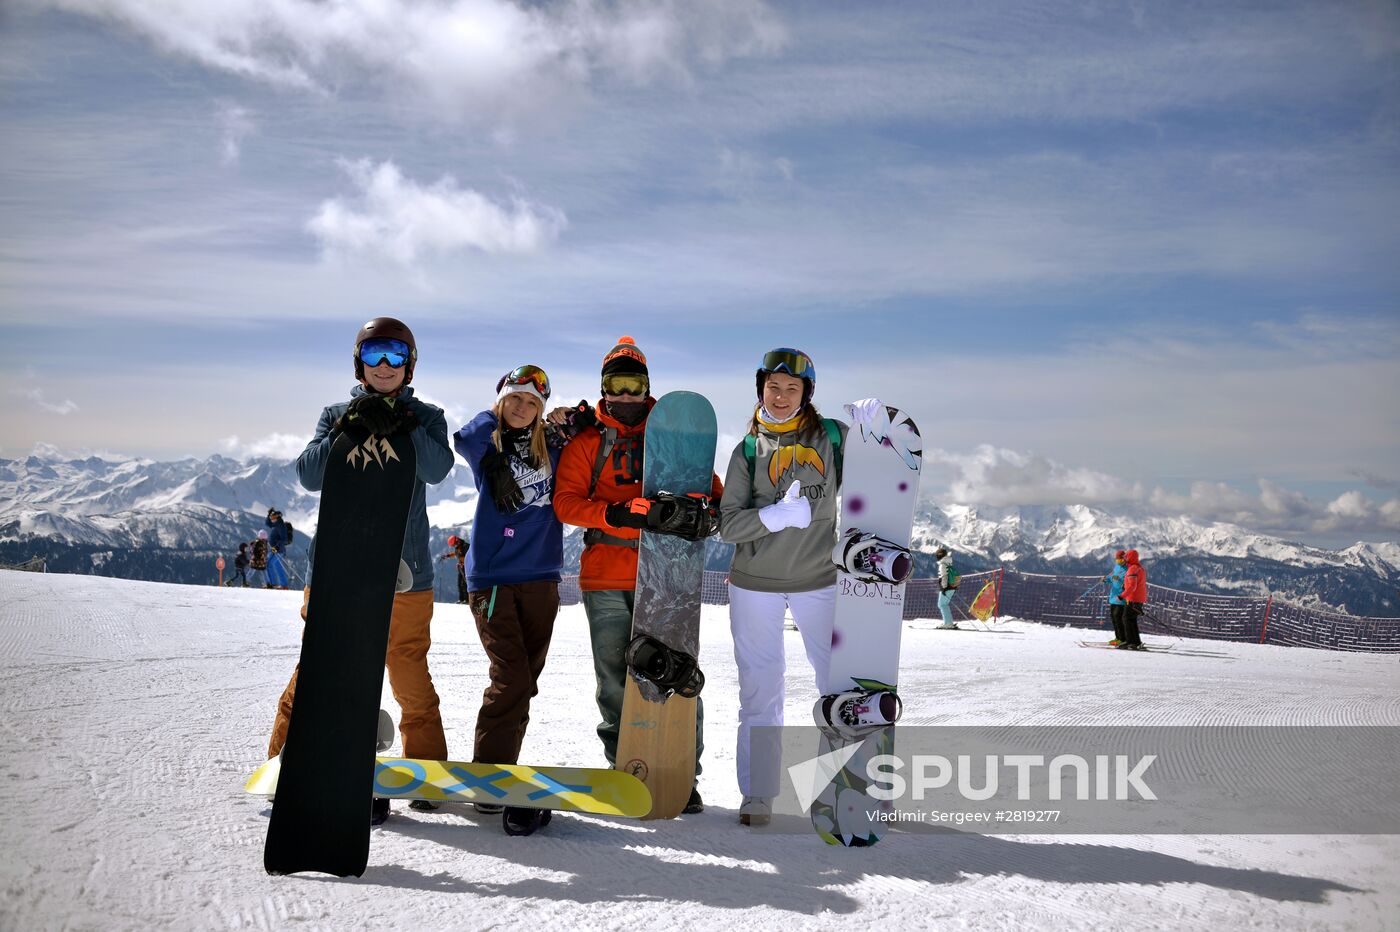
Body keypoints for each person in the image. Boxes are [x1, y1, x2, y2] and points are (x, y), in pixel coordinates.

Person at [265, 316, 453, 824]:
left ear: (410, 365)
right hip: (337, 568)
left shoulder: (428, 416)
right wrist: (349, 425)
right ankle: (284, 761)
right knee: (320, 666)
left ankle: (426, 773)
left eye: (395, 355)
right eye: (374, 355)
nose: (385, 366)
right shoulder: (335, 414)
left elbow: (437, 469)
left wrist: (408, 422)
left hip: (404, 570)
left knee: (407, 670)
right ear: (359, 363)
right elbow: (308, 475)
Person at [553, 336, 723, 816]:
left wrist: (702, 512)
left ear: (647, 387)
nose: (626, 395)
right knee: (614, 680)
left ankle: (682, 776)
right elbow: (565, 504)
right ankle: (624, 765)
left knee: (677, 673)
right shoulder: (589, 443)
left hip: (668, 577)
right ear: (604, 388)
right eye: (617, 384)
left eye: (634, 384)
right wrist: (616, 515)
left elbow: (711, 491)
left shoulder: (672, 437)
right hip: (607, 575)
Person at [717, 346, 881, 827]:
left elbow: (870, 488)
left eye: (792, 388)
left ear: (807, 392)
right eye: (773, 387)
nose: (782, 395)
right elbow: (727, 526)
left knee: (838, 684)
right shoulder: (748, 449)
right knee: (761, 691)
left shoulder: (831, 436)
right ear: (761, 389)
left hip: (819, 579)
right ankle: (758, 794)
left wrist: (876, 439)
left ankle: (846, 788)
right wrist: (772, 516)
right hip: (754, 585)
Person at [453, 365, 577, 835]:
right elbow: (463, 435)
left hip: (542, 578)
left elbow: (590, 441)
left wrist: (571, 418)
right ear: (501, 402)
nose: (522, 408)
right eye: (514, 399)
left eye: (533, 403)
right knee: (510, 676)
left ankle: (499, 770)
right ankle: (487, 776)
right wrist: (495, 450)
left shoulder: (556, 447)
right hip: (492, 579)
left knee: (525, 681)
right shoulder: (488, 442)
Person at [1119, 548, 1147, 650]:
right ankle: (1135, 641)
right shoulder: (1140, 568)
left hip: (1133, 598)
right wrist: (1125, 586)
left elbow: (1132, 587)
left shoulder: (1132, 569)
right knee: (1131, 620)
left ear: (1130, 557)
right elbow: (1136, 584)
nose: (1125, 559)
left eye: (1126, 557)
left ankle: (1131, 642)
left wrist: (1122, 595)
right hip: (1139, 598)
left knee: (1126, 619)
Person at [437, 535, 470, 604]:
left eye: (454, 544)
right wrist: (447, 556)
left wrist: (461, 562)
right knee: (459, 583)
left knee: (464, 584)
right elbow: (456, 553)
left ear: (457, 541)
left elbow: (468, 556)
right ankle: (461, 599)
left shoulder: (465, 546)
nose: (454, 546)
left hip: (466, 568)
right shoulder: (458, 546)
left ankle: (467, 600)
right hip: (461, 567)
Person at [1104, 549, 1128, 645]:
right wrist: (1106, 580)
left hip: (1121, 598)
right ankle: (1118, 637)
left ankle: (1123, 639)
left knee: (1118, 618)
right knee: (1114, 618)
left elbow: (1129, 582)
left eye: (1120, 558)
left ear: (1124, 558)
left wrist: (1120, 580)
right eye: (1117, 558)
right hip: (1113, 597)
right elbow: (1112, 578)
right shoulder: (1117, 567)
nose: (1118, 560)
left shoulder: (1128, 568)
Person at [265, 509, 291, 590]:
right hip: (274, 549)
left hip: (279, 550)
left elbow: (284, 539)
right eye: (271, 517)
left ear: (277, 517)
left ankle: (284, 585)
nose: (271, 519)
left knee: (274, 565)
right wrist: (268, 514)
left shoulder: (281, 526)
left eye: (272, 517)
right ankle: (273, 584)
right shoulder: (276, 524)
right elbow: (267, 523)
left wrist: (277, 546)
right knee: (269, 564)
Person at [935, 546, 959, 629]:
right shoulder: (948, 562)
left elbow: (944, 576)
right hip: (952, 586)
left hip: (947, 587)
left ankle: (948, 623)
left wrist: (944, 588)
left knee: (942, 604)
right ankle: (948, 622)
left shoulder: (943, 564)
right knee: (944, 604)